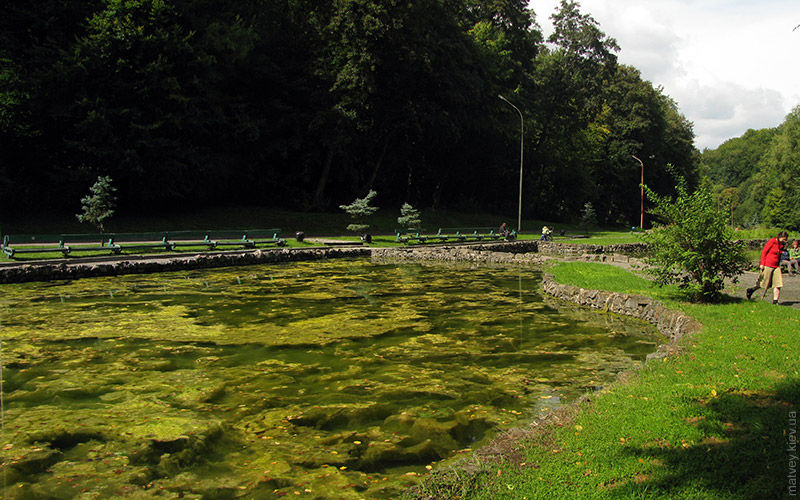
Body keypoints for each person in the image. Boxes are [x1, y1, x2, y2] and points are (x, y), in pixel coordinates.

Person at [746, 230, 789, 304]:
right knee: (764, 283)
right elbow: (764, 252)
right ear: (780, 237)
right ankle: (751, 290)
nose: (785, 240)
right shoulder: (772, 241)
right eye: (784, 239)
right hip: (768, 264)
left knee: (778, 284)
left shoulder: (782, 244)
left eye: (786, 239)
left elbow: (780, 254)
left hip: (776, 266)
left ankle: (775, 301)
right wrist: (762, 263)